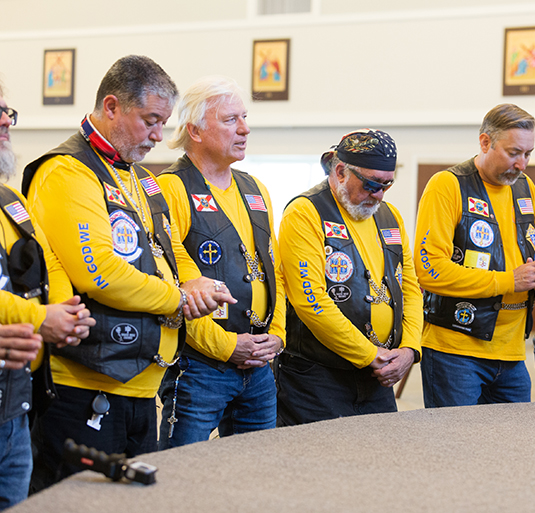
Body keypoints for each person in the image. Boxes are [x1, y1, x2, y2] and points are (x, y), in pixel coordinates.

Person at [22, 55, 235, 490]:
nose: (159, 136)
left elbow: (169, 245)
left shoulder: (139, 176)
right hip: (84, 387)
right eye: (150, 121)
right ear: (113, 106)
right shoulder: (67, 169)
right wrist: (179, 298)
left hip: (141, 386)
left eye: (164, 122)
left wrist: (196, 283)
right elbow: (98, 271)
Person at [156, 76, 285, 448]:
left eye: (244, 118)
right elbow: (175, 282)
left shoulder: (254, 188)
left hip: (260, 364)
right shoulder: (171, 188)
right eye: (230, 120)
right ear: (195, 131)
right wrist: (228, 347)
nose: (244, 129)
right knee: (184, 472)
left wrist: (276, 336)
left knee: (255, 472)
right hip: (200, 366)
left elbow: (274, 272)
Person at [415, 103, 535, 407]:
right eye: (513, 152)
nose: (522, 164)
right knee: (457, 448)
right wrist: (510, 280)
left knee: (510, 449)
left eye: (528, 154)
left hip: (512, 353)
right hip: (455, 352)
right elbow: (430, 270)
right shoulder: (448, 185)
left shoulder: (527, 189)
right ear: (485, 142)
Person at [276, 129, 422, 425]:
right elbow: (310, 300)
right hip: (316, 379)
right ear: (340, 171)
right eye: (370, 185)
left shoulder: (389, 216)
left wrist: (409, 350)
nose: (378, 194)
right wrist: (369, 354)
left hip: (377, 376)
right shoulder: (306, 212)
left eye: (386, 185)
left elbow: (411, 289)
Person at [0, 83, 95, 510]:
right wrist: (41, 318)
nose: (6, 121)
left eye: (7, 111)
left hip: (15, 403)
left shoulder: (10, 200)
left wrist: (63, 311)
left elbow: (48, 261)